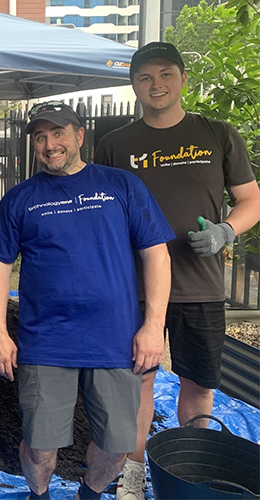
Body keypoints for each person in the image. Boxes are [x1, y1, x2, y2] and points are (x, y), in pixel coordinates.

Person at [94, 41, 260, 500]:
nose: (156, 85)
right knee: (136, 385)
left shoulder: (218, 134)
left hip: (201, 288)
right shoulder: (115, 145)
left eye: (166, 74)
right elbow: (100, 213)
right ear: (133, 86)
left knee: (199, 385)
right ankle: (131, 476)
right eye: (145, 77)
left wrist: (227, 230)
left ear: (183, 79)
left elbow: (251, 200)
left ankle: (193, 474)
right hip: (135, 292)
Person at [0, 102, 174, 500]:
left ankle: (89, 494)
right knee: (39, 446)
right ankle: (40, 495)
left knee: (118, 443)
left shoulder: (122, 186)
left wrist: (153, 326)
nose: (50, 144)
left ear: (79, 135)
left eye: (58, 133)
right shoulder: (20, 198)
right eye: (41, 137)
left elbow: (156, 254)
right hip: (46, 340)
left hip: (115, 340)